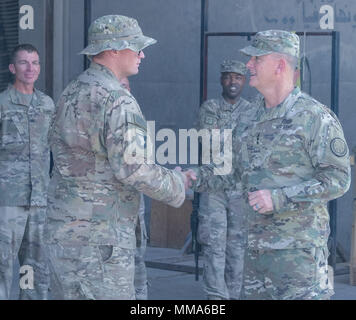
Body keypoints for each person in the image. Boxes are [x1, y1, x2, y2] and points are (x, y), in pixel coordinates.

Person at [185, 30, 351, 300]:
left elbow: (338, 179)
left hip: (297, 264)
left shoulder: (315, 118)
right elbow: (234, 171)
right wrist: (194, 177)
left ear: (280, 65)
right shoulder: (250, 116)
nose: (248, 65)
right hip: (254, 262)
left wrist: (280, 198)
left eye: (256, 60)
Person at [45, 15, 187, 300]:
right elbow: (135, 169)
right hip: (101, 242)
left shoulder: (71, 92)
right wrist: (178, 185)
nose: (142, 54)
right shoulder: (116, 99)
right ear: (113, 50)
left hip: (64, 236)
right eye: (136, 47)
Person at [0, 44, 54, 299]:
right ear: (12, 68)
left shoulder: (47, 105)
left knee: (35, 270)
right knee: (2, 267)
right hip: (7, 202)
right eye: (23, 62)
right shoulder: (2, 105)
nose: (30, 68)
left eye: (35, 62)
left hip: (39, 202)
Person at [196, 60, 252, 300]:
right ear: (221, 80)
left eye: (237, 77)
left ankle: (234, 296)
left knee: (238, 248)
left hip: (241, 190)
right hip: (214, 188)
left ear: (244, 81)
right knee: (214, 247)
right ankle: (217, 300)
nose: (232, 82)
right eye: (228, 77)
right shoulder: (210, 107)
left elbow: (254, 146)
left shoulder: (252, 110)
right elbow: (209, 141)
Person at [119, 76, 148, 300]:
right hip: (114, 208)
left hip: (135, 204)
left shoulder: (137, 118)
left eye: (126, 87)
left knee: (139, 260)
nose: (124, 92)